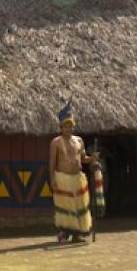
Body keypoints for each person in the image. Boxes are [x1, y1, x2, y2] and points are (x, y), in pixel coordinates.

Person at [49, 99, 97, 243]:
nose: (68, 129)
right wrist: (52, 180)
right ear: (61, 127)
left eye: (70, 126)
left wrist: (92, 158)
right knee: (65, 207)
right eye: (65, 126)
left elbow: (83, 159)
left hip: (77, 178)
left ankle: (77, 234)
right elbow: (52, 163)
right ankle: (64, 233)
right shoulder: (56, 142)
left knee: (78, 206)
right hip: (62, 178)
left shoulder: (79, 141)